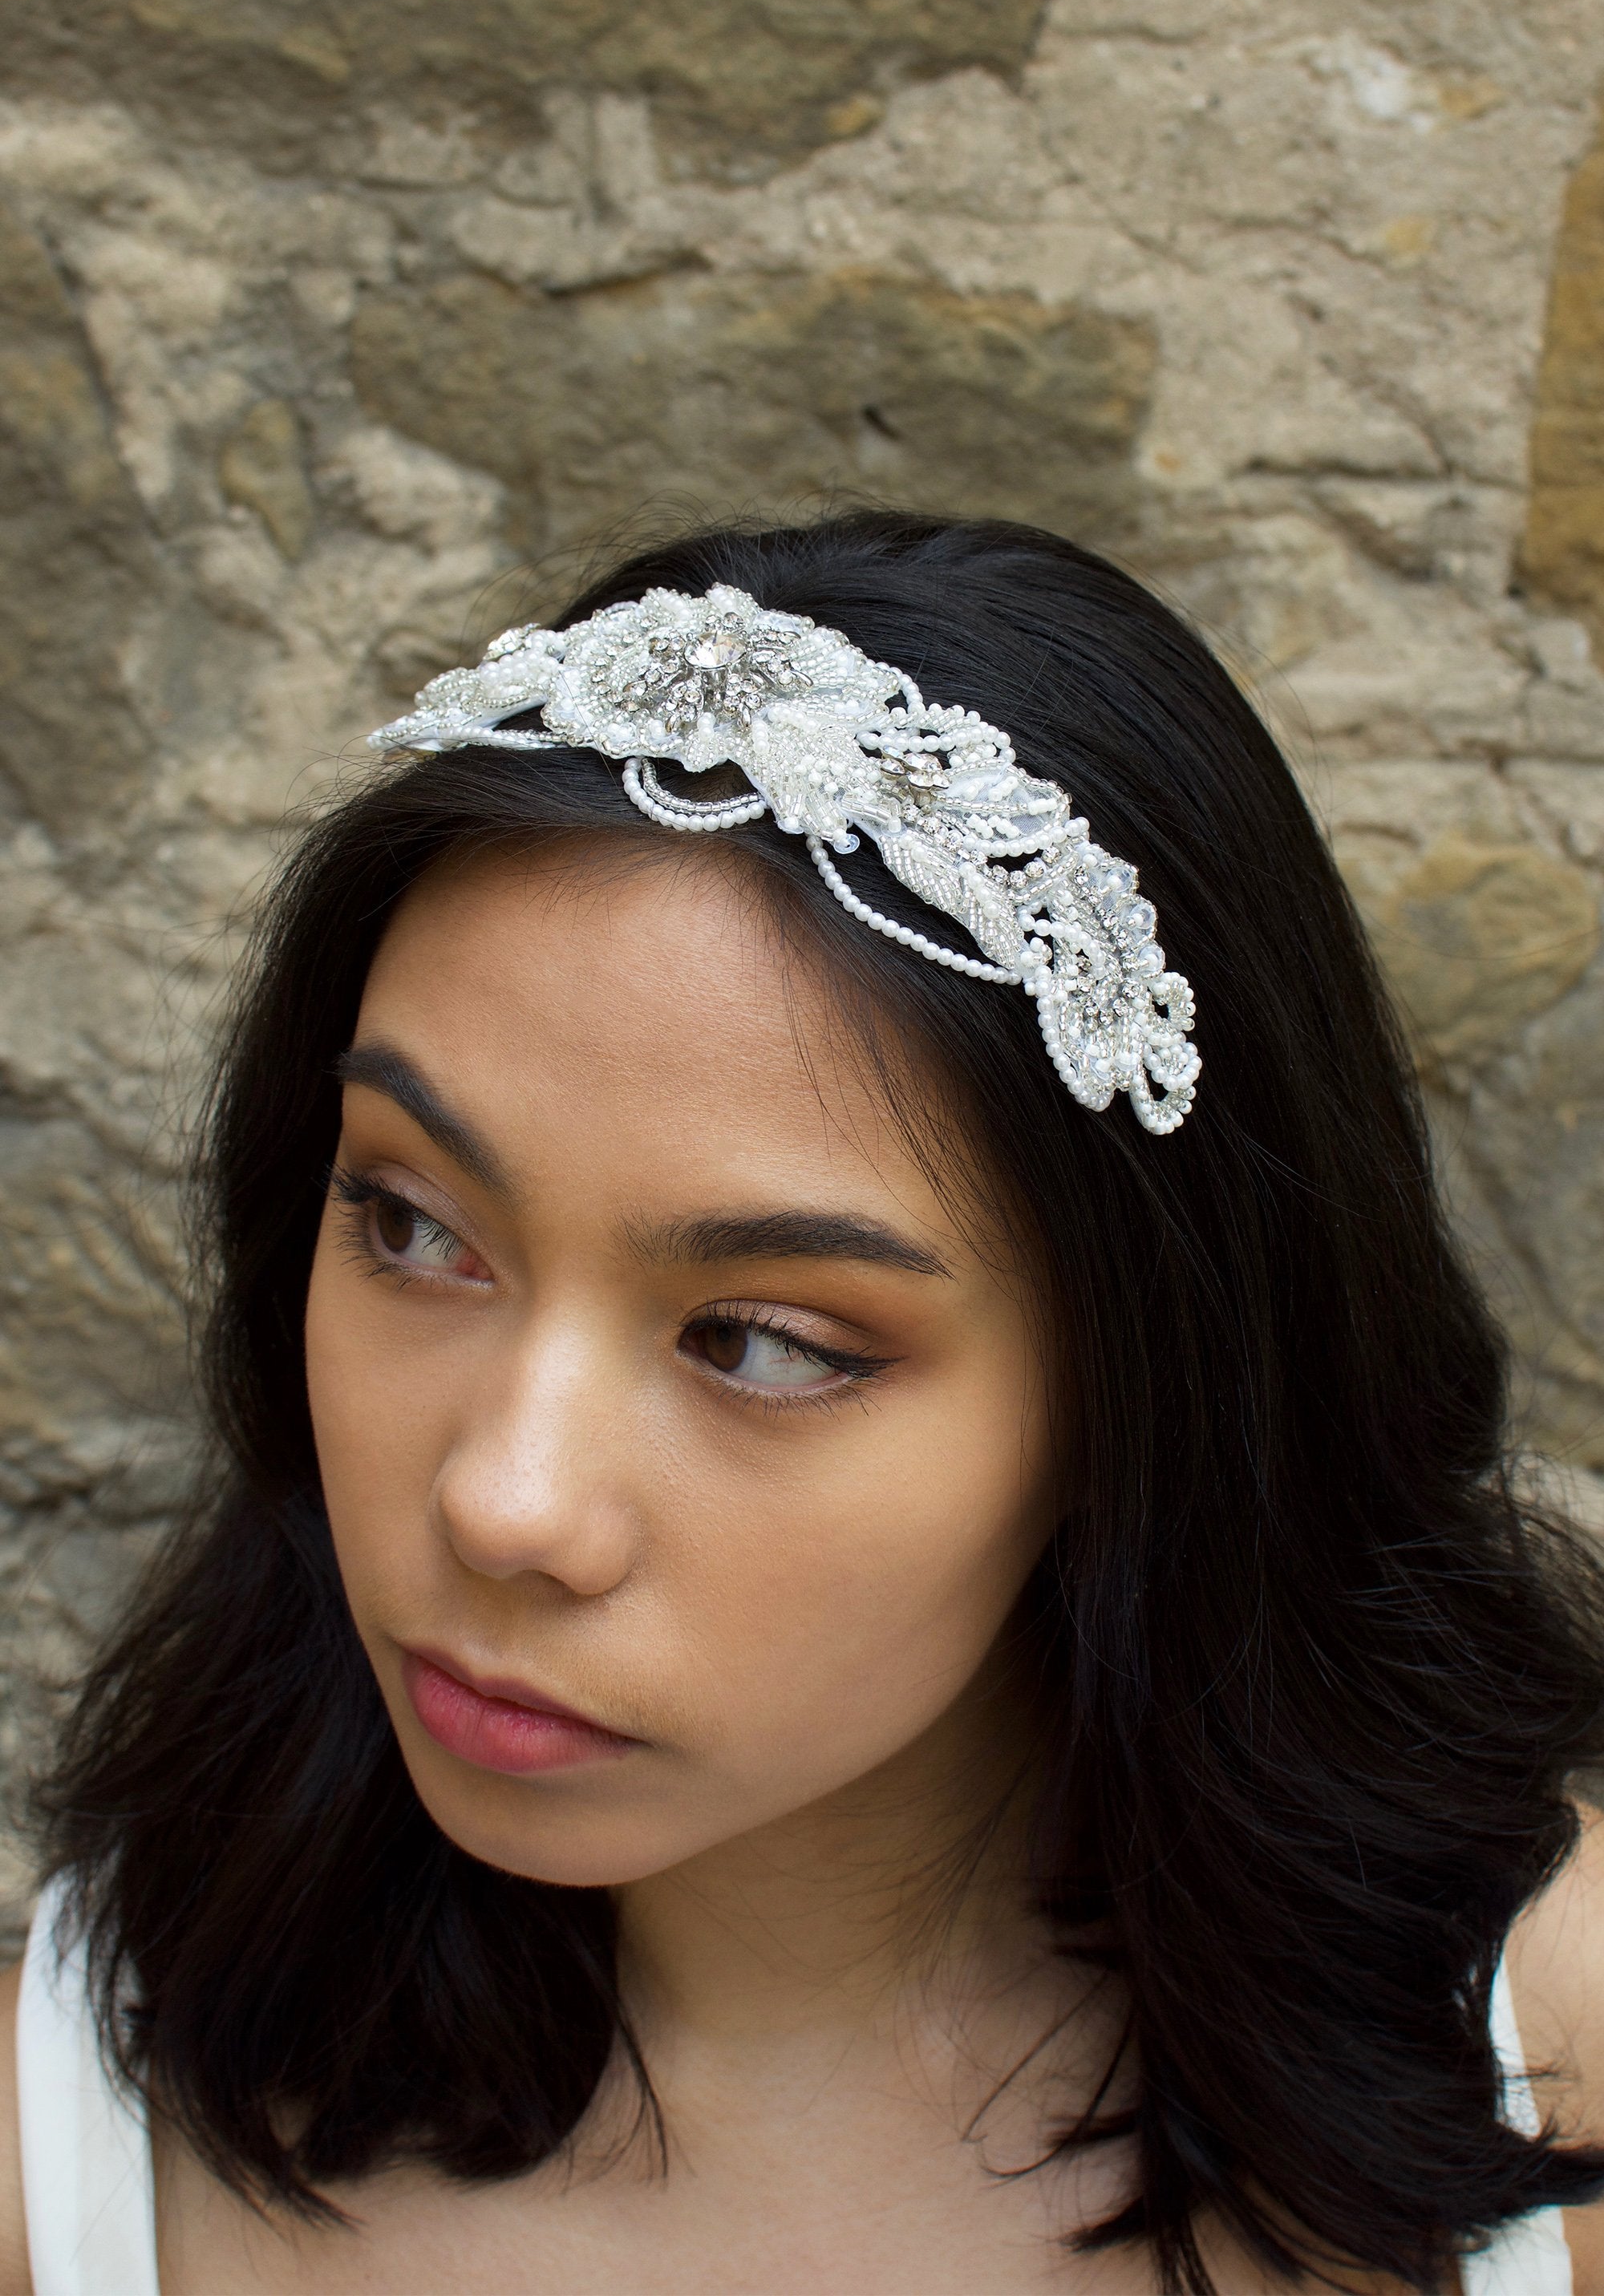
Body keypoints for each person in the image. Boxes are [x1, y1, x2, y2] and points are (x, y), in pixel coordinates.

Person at [2, 509, 1603, 2295]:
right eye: (411, 1225)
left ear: (1139, 1396)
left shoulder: (1559, 2063)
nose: (504, 1503)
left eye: (760, 1340)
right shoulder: (69, 2156)